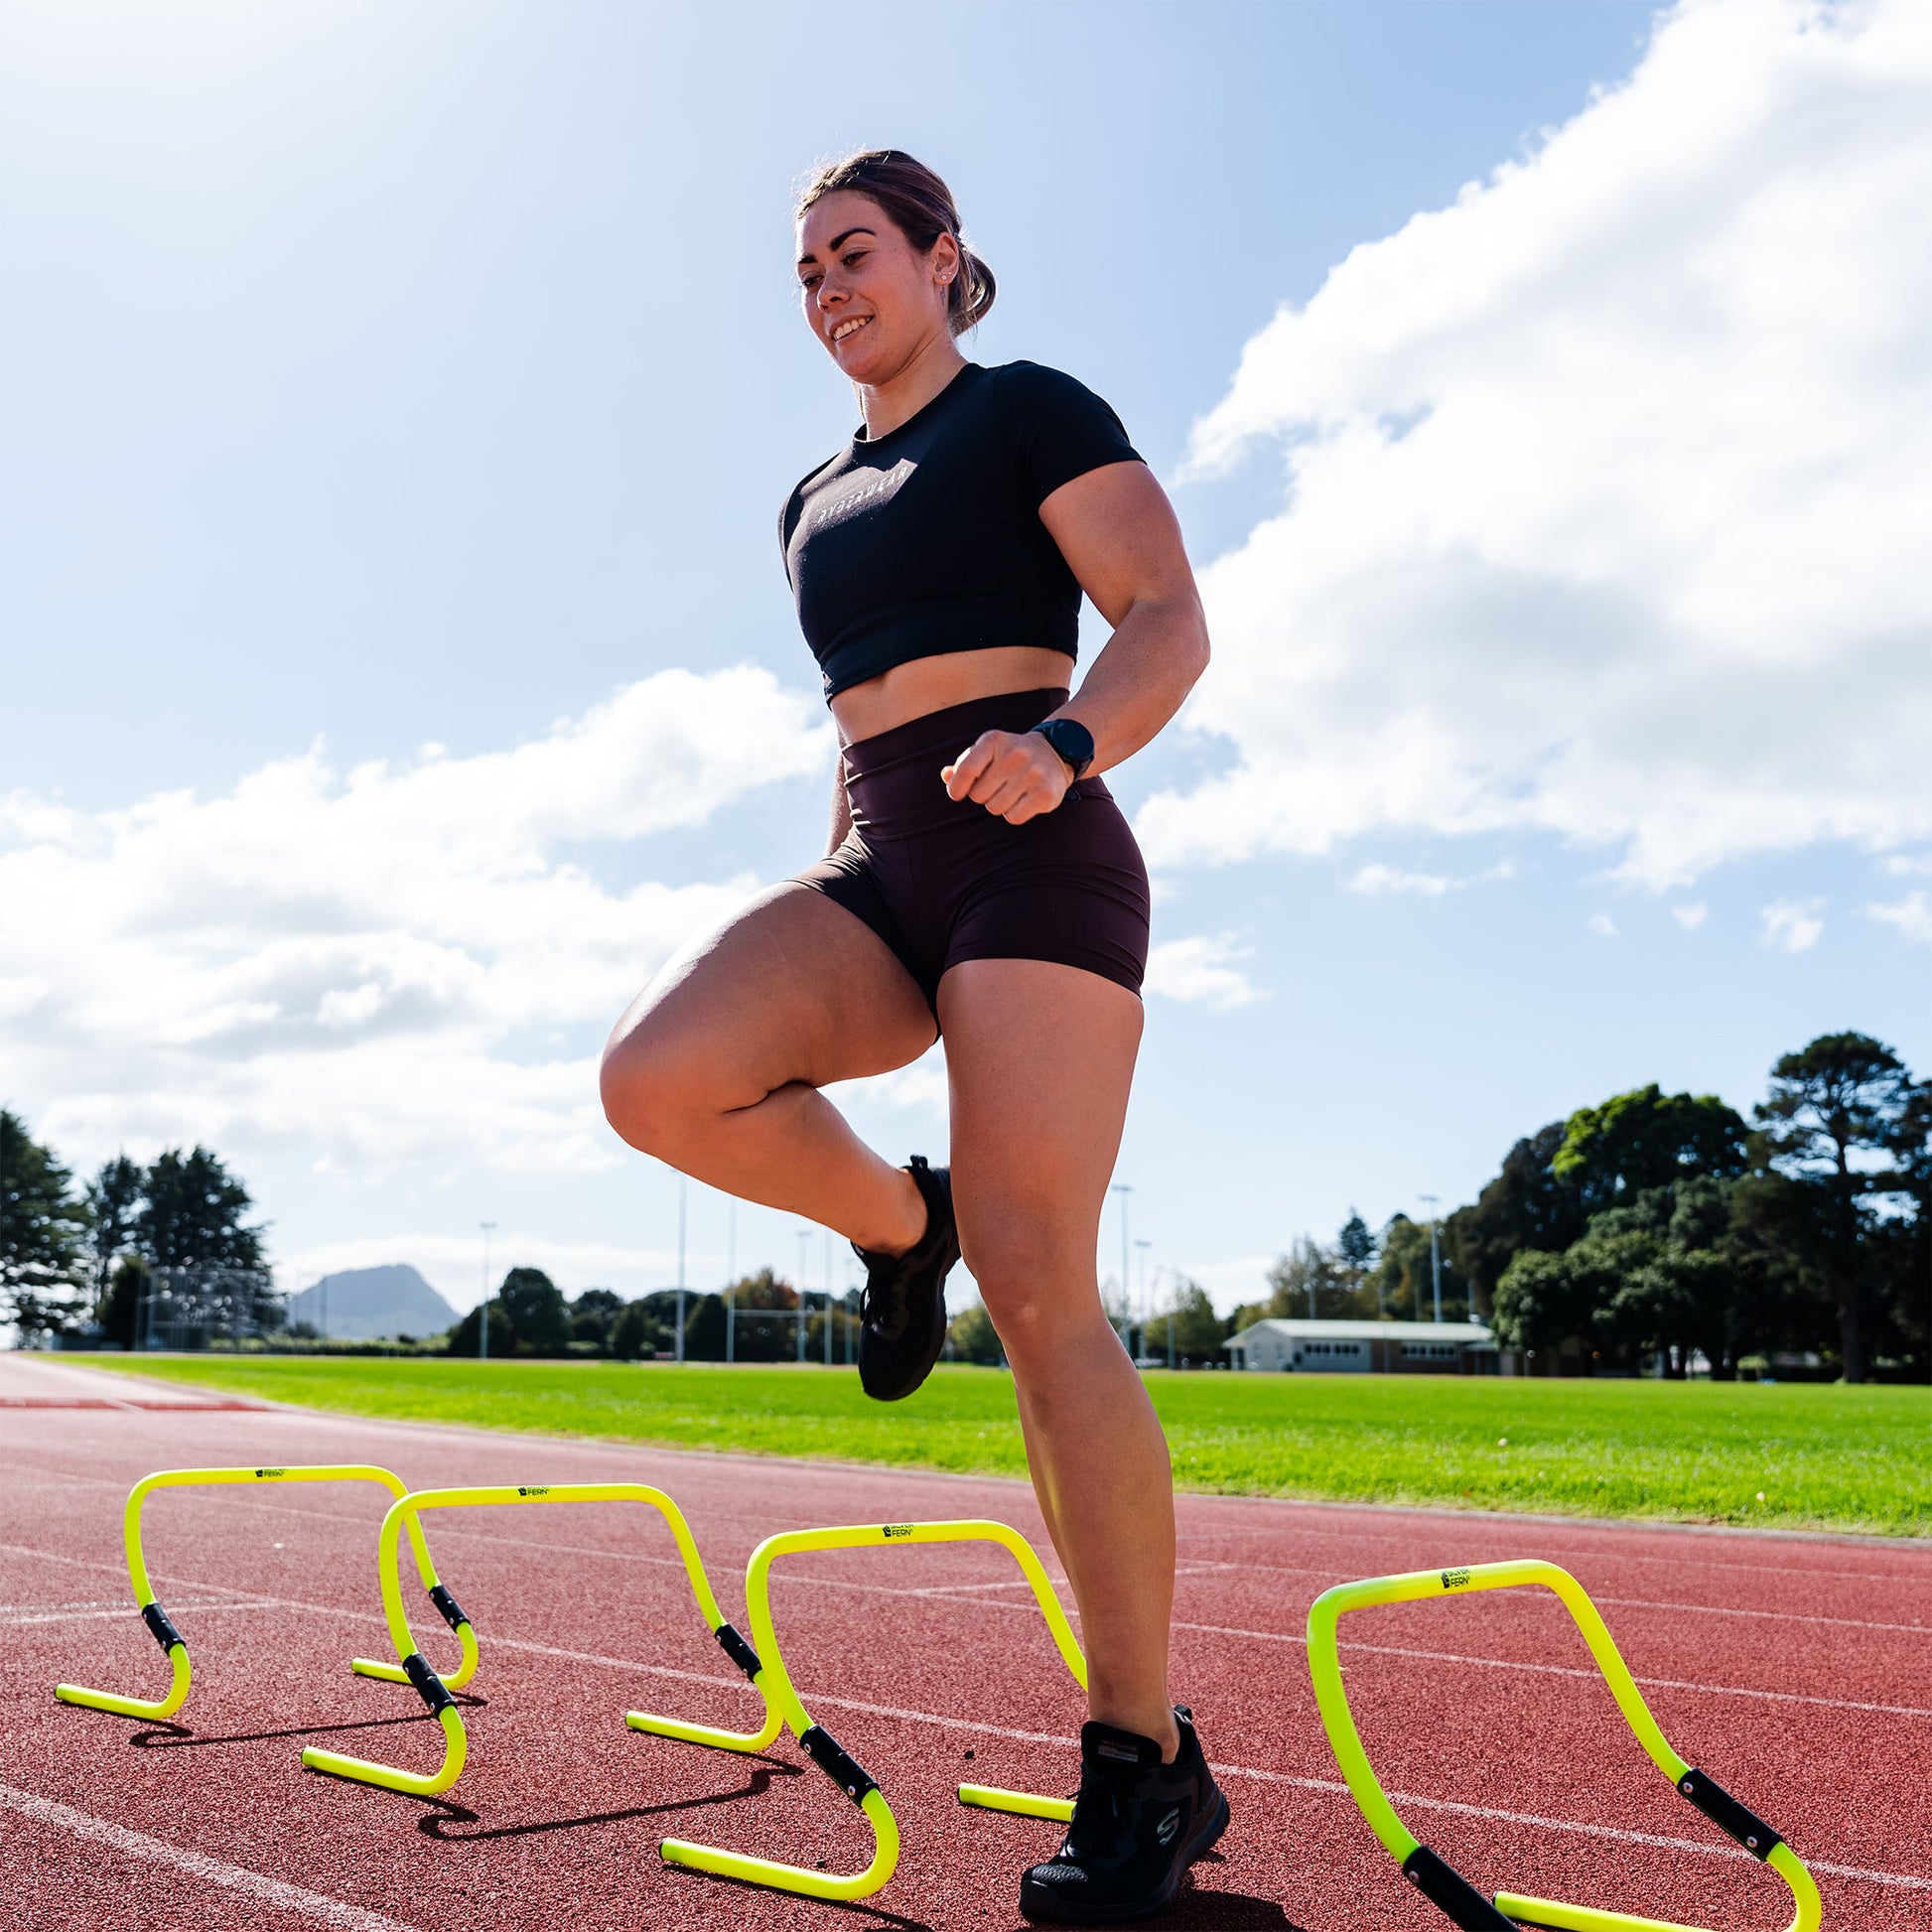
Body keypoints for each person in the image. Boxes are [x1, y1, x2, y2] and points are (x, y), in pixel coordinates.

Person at [600, 147, 1223, 1922]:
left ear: (945, 261)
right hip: (882, 862)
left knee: (1040, 1288)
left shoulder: (1029, 408)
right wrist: (830, 878)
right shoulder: (809, 493)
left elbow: (1166, 616)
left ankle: (1139, 1760)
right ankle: (897, 1223)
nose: (825, 290)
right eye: (803, 272)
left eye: (853, 254)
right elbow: (855, 712)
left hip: (1035, 852)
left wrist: (1071, 747)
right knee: (657, 1076)